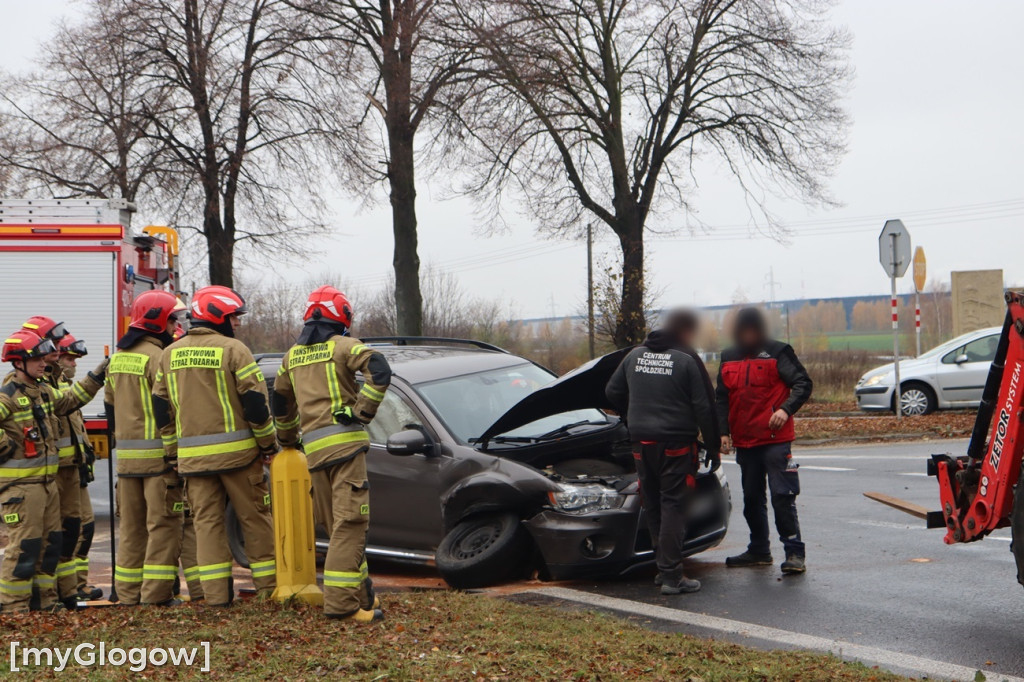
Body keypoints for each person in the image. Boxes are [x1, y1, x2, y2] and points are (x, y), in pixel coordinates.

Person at [152, 285, 277, 607]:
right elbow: (255, 404)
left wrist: (172, 454)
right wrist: (268, 445)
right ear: (219, 316)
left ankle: (216, 597)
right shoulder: (234, 350)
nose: (237, 323)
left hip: (194, 462)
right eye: (234, 317)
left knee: (207, 526)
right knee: (255, 520)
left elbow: (161, 409)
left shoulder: (169, 354)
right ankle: (268, 590)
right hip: (239, 457)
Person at [273, 286, 391, 622]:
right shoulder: (344, 346)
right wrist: (360, 412)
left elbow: (280, 401)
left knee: (338, 526)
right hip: (345, 448)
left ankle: (362, 594)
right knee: (351, 525)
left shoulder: (291, 357)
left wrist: (287, 439)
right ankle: (342, 606)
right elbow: (380, 370)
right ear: (341, 316)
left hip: (314, 454)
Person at [605, 309, 720, 595]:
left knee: (653, 502)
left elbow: (611, 391)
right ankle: (672, 576)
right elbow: (705, 407)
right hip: (676, 445)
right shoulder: (685, 359)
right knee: (674, 505)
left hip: (641, 443)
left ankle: (663, 567)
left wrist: (633, 411)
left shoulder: (634, 356)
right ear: (684, 333)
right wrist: (714, 447)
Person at [0, 329, 107, 613]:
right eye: (35, 359)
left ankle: (44, 602)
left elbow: (71, 400)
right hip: (21, 488)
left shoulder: (43, 391)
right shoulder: (7, 395)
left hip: (47, 483)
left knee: (50, 546)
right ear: (18, 362)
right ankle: (13, 607)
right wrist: (4, 445)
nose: (43, 364)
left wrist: (97, 377)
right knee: (25, 547)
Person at [105, 291, 192, 606]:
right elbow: (168, 406)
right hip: (159, 461)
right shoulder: (159, 357)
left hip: (127, 464)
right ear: (158, 321)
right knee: (164, 527)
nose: (174, 326)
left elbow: (110, 407)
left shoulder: (117, 358)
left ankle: (128, 595)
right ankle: (155, 597)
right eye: (171, 319)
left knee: (131, 531)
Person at [716, 307, 813, 575]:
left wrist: (785, 409)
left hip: (775, 440)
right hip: (745, 443)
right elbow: (721, 398)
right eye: (743, 330)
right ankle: (759, 550)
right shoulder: (728, 356)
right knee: (751, 499)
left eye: (753, 330)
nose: (748, 335)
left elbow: (803, 383)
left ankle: (794, 554)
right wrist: (722, 433)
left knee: (782, 497)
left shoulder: (778, 352)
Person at [17, 316, 84, 608]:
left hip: (59, 470)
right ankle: (24, 603)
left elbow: (68, 404)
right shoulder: (19, 386)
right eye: (51, 343)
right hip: (39, 475)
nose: (56, 349)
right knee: (35, 541)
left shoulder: (48, 381)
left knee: (60, 537)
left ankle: (60, 595)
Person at [55, 334, 104, 602]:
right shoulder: (53, 388)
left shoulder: (65, 386)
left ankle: (78, 585)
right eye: (69, 358)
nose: (73, 364)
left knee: (85, 528)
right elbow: (70, 402)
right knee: (68, 531)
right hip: (58, 473)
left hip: (75, 469)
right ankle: (67, 589)